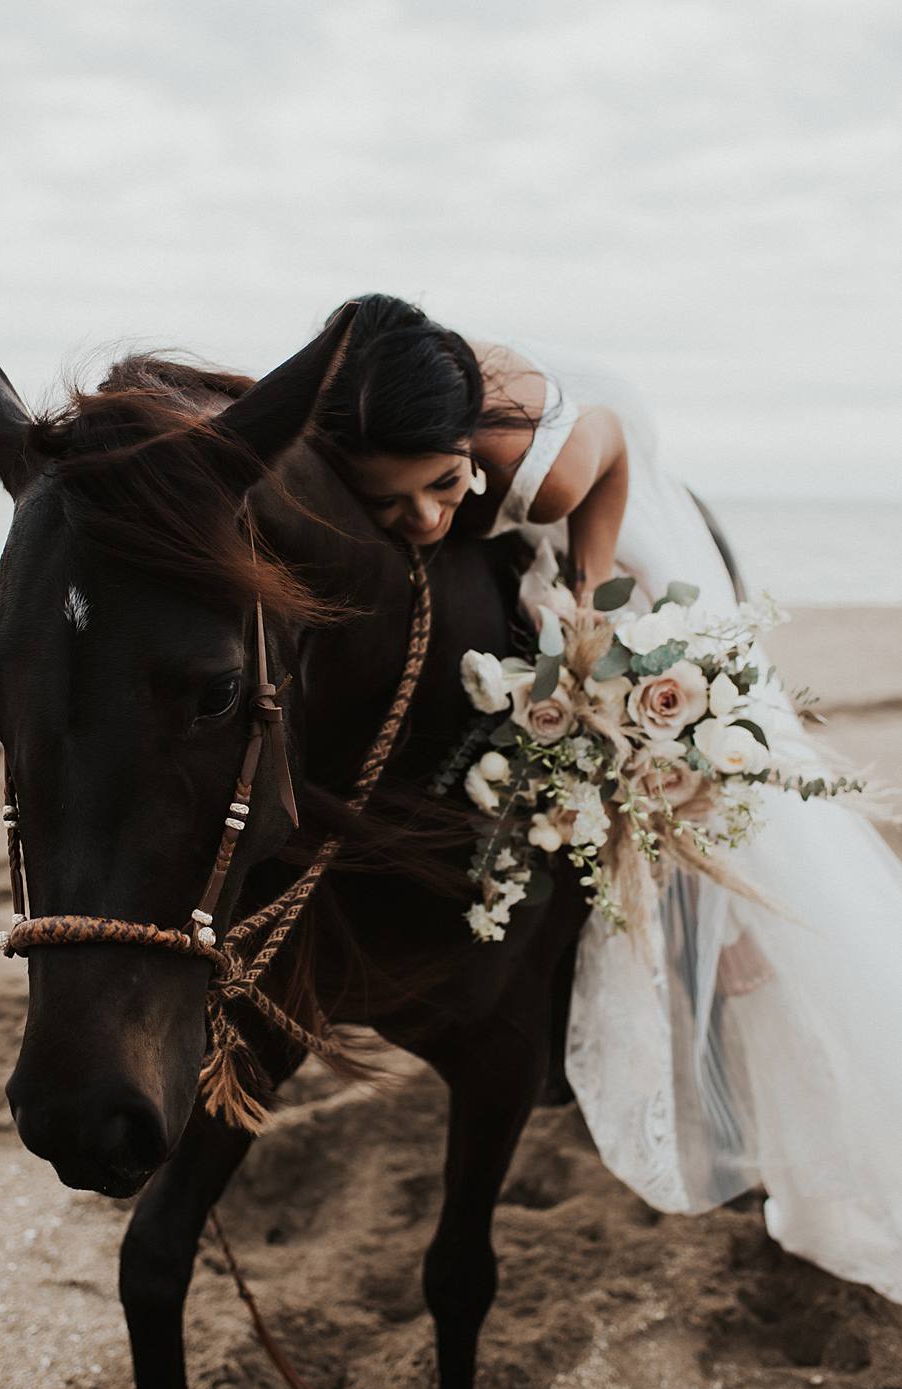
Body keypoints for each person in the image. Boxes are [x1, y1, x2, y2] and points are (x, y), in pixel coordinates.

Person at [310, 292, 902, 1308]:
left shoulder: (542, 465)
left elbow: (615, 443)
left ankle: (724, 931)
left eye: (441, 487)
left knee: (657, 725)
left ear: (467, 447)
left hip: (611, 522)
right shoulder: (354, 430)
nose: (422, 520)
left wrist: (585, 599)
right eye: (388, 504)